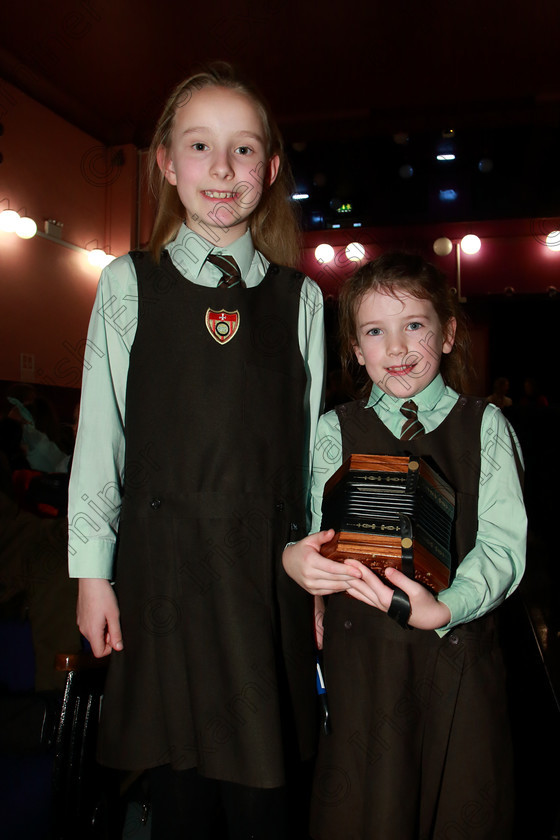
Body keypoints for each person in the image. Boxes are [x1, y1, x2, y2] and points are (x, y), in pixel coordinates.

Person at [68, 62, 325, 839]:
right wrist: (91, 575)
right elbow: (99, 439)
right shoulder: (126, 284)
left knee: (265, 799)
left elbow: (311, 454)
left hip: (263, 579)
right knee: (181, 799)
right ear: (167, 163)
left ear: (270, 169)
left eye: (244, 150)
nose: (222, 169)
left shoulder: (300, 298)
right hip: (165, 578)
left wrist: (319, 576)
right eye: (201, 146)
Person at [283, 253, 526, 840]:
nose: (396, 347)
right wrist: (297, 561)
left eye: (413, 325)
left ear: (446, 334)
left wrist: (444, 607)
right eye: (375, 331)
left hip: (456, 656)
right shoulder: (332, 429)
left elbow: (502, 545)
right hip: (361, 659)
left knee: (458, 804)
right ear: (356, 350)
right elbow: (311, 528)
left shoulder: (484, 425)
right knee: (367, 810)